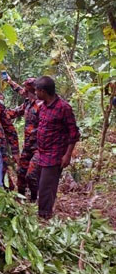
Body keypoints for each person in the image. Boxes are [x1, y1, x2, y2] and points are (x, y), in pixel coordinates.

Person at [33, 76, 80, 219]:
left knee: (46, 187)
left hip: (55, 155)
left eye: (36, 90)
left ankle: (44, 216)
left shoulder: (63, 108)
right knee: (40, 182)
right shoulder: (43, 106)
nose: (35, 93)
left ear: (42, 91)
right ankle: (43, 211)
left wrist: (67, 155)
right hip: (42, 153)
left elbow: (74, 133)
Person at [5, 77, 42, 200]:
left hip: (39, 147)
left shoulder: (41, 105)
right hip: (28, 146)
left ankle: (33, 198)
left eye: (27, 89)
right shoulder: (27, 103)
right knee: (21, 172)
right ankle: (20, 198)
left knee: (31, 175)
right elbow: (13, 113)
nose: (24, 91)